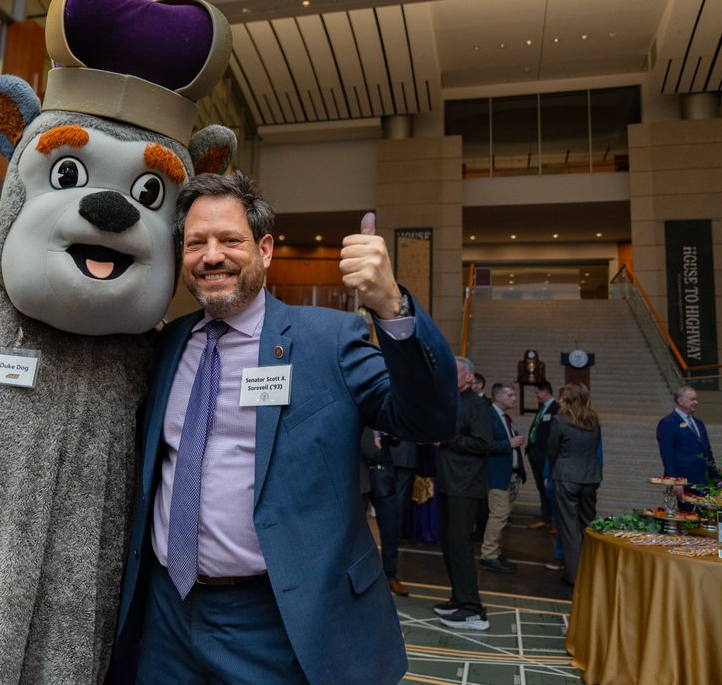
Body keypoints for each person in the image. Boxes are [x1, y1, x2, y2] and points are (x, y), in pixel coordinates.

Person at [111, 172, 457, 685]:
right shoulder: (165, 345)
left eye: (230, 240)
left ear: (265, 250)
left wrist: (391, 306)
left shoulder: (326, 339)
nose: (212, 256)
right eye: (196, 243)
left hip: (277, 618)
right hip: (166, 613)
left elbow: (428, 420)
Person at [433, 357, 493, 631]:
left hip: (465, 486)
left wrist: (448, 439)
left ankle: (472, 609)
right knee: (449, 545)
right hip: (448, 484)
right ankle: (459, 598)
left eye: (454, 371)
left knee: (461, 546)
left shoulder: (478, 405)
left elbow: (483, 442)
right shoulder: (454, 402)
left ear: (469, 377)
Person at [546, 383, 602, 588]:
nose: (559, 401)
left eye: (562, 398)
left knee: (569, 529)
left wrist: (553, 471)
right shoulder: (594, 421)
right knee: (587, 525)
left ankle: (574, 576)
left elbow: (552, 450)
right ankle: (591, 571)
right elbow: (594, 448)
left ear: (568, 400)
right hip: (590, 478)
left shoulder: (560, 421)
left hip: (566, 476)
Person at [480, 382, 525, 574]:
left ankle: (495, 552)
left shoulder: (505, 417)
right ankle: (489, 555)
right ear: (498, 397)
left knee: (503, 515)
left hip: (510, 474)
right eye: (510, 395)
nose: (514, 398)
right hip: (497, 474)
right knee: (498, 515)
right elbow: (485, 444)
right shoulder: (489, 415)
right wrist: (509, 443)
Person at [361, 428, 408, 596]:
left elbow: (397, 440)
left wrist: (389, 432)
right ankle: (361, 575)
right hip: (360, 474)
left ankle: (390, 576)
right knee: (356, 531)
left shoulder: (381, 409)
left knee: (390, 528)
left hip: (384, 475)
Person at [655, 385, 715, 496]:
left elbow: (707, 450)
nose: (696, 402)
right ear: (681, 401)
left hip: (703, 481)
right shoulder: (668, 423)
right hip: (683, 482)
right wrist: (675, 480)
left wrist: (716, 477)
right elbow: (667, 454)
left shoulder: (699, 423)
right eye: (693, 399)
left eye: (696, 399)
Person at [526, 381, 558, 530]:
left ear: (544, 391)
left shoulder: (555, 408)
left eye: (537, 392)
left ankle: (555, 521)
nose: (537, 395)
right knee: (541, 488)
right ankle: (546, 519)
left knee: (549, 488)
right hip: (535, 453)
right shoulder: (543, 408)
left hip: (545, 455)